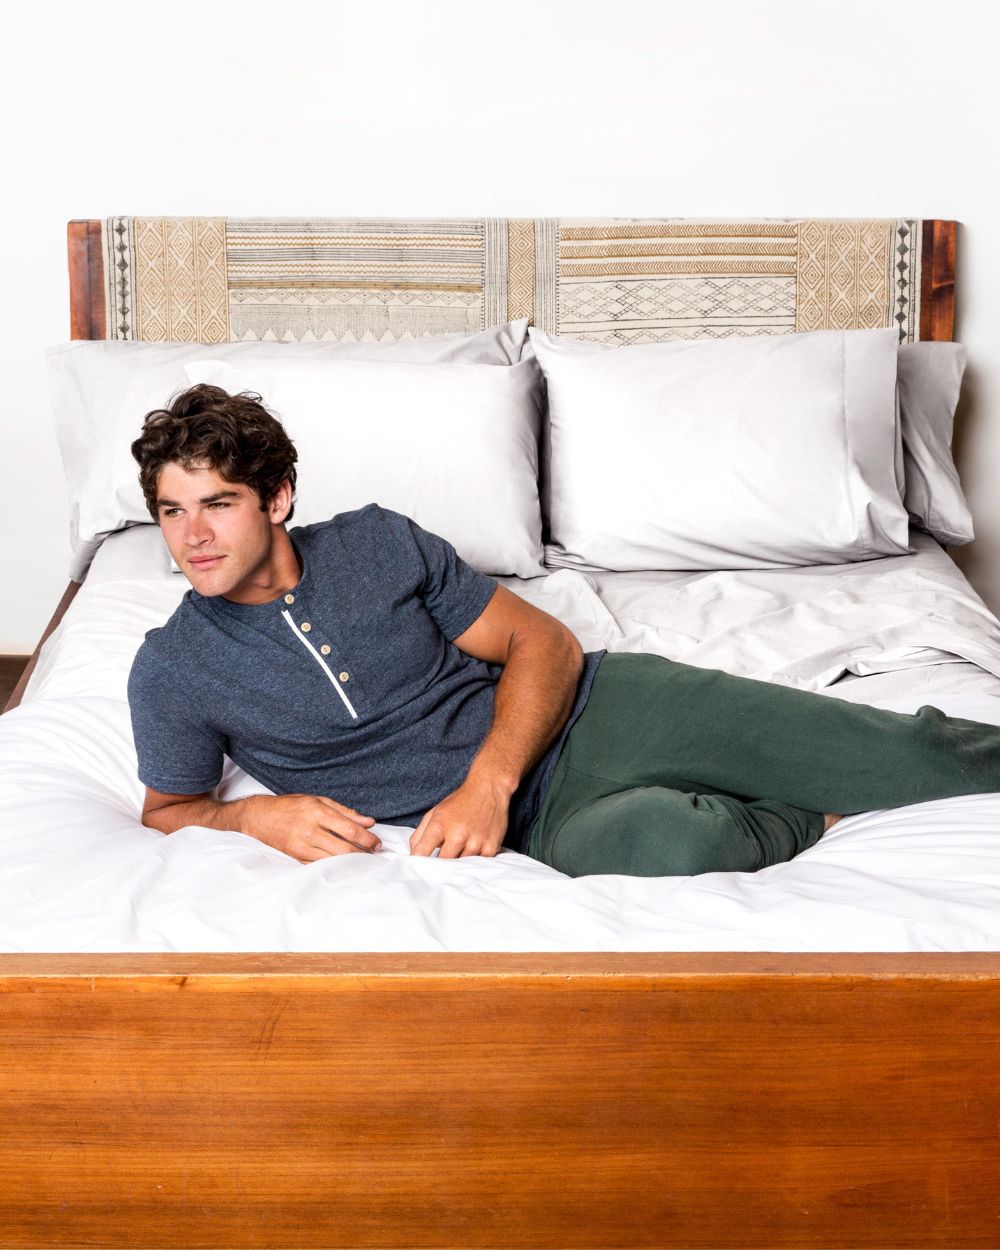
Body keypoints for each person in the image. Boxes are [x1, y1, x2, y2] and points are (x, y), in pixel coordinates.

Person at [127, 384, 1000, 877]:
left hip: (601, 708)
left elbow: (544, 643)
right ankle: (812, 810)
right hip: (548, 821)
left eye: (218, 504)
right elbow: (169, 809)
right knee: (677, 842)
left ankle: (823, 769)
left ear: (276, 499)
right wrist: (256, 821)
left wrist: (486, 783)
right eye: (171, 511)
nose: (192, 536)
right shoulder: (174, 668)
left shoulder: (373, 542)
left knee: (913, 753)